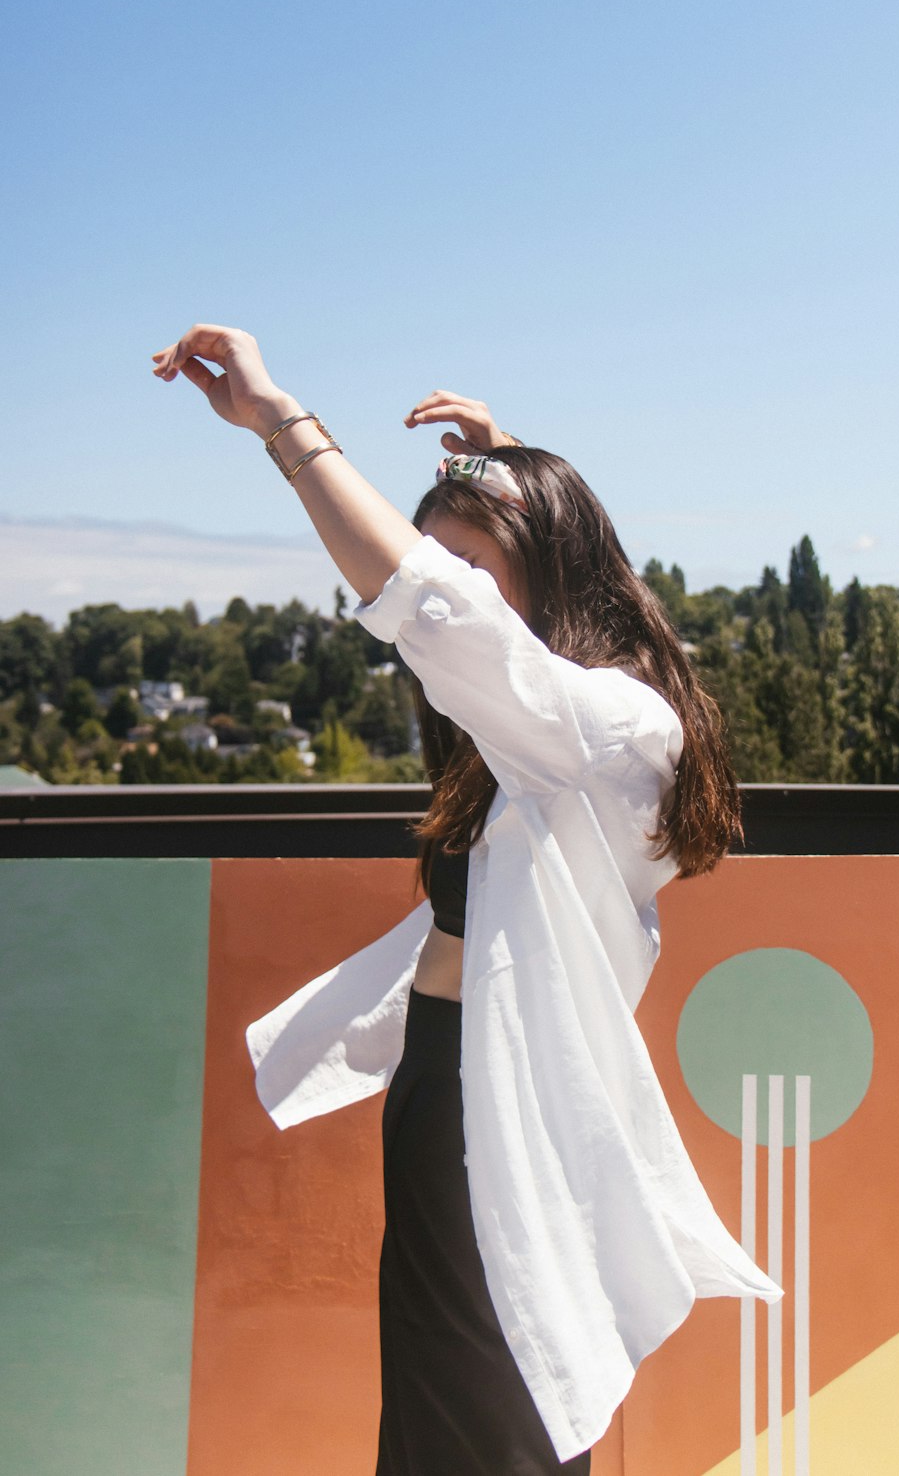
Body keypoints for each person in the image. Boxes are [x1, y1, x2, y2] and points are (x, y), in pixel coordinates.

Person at [152, 325, 782, 1474]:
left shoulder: (611, 726)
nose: (453, 591)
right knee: (471, 1406)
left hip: (503, 1107)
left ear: (551, 571)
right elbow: (491, 617)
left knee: (494, 1409)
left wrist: (281, 423)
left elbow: (434, 610)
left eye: (479, 567)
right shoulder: (552, 726)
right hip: (448, 1093)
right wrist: (507, 467)